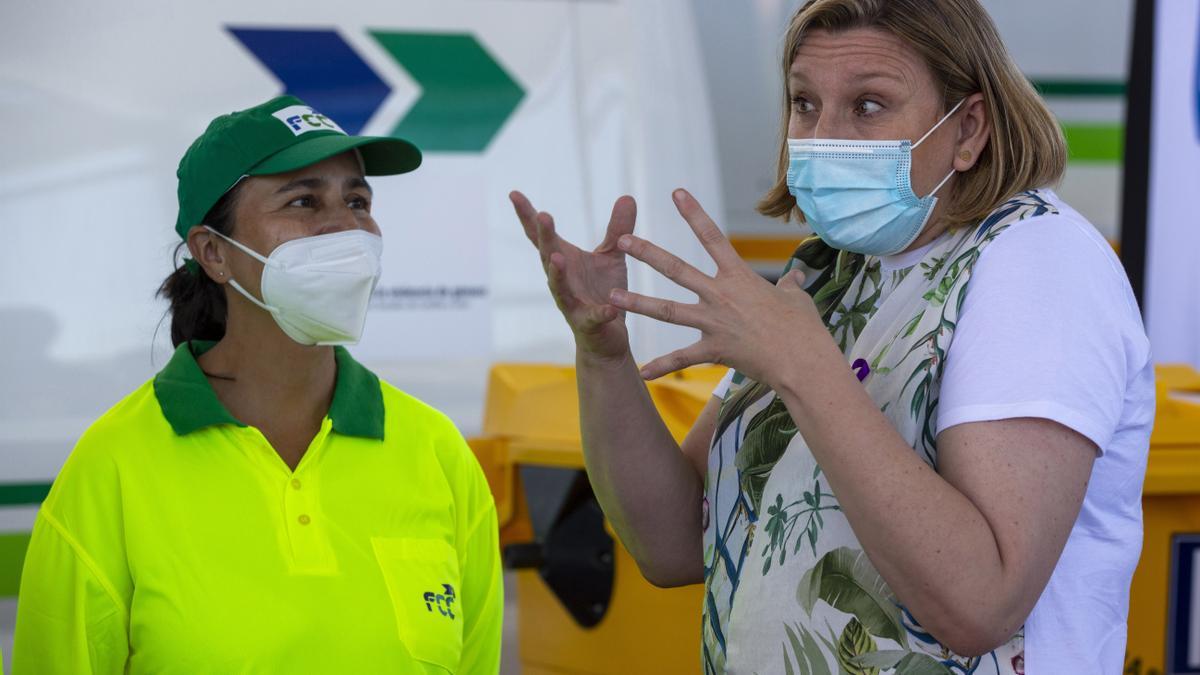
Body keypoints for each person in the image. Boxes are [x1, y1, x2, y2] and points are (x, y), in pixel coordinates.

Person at [510, 0, 1153, 672]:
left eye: (869, 105)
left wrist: (804, 368)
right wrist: (603, 350)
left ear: (968, 128)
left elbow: (979, 603)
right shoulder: (828, 272)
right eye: (804, 103)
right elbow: (672, 542)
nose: (824, 135)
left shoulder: (1036, 264)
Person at [13, 95, 502, 674]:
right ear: (214, 253)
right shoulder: (112, 466)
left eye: (357, 200)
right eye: (302, 200)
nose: (346, 227)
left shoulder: (434, 450)